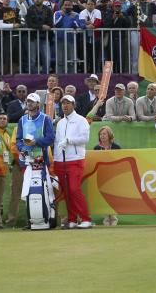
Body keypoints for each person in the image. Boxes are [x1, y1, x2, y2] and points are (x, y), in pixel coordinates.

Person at [15, 93, 56, 228]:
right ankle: (32, 219)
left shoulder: (45, 119)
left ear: (38, 104)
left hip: (42, 159)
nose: (30, 104)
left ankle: (51, 217)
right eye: (28, 101)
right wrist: (22, 149)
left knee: (46, 188)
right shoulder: (22, 120)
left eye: (32, 102)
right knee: (28, 189)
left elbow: (50, 138)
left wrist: (36, 142)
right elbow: (19, 139)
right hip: (27, 161)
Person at [53, 94, 93, 229]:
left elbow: (85, 139)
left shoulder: (81, 120)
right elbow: (58, 143)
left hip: (75, 159)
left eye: (68, 103)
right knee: (66, 192)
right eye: (63, 103)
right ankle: (72, 219)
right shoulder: (60, 123)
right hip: (60, 161)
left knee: (74, 189)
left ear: (73, 105)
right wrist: (55, 160)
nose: (65, 105)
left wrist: (70, 140)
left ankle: (86, 218)